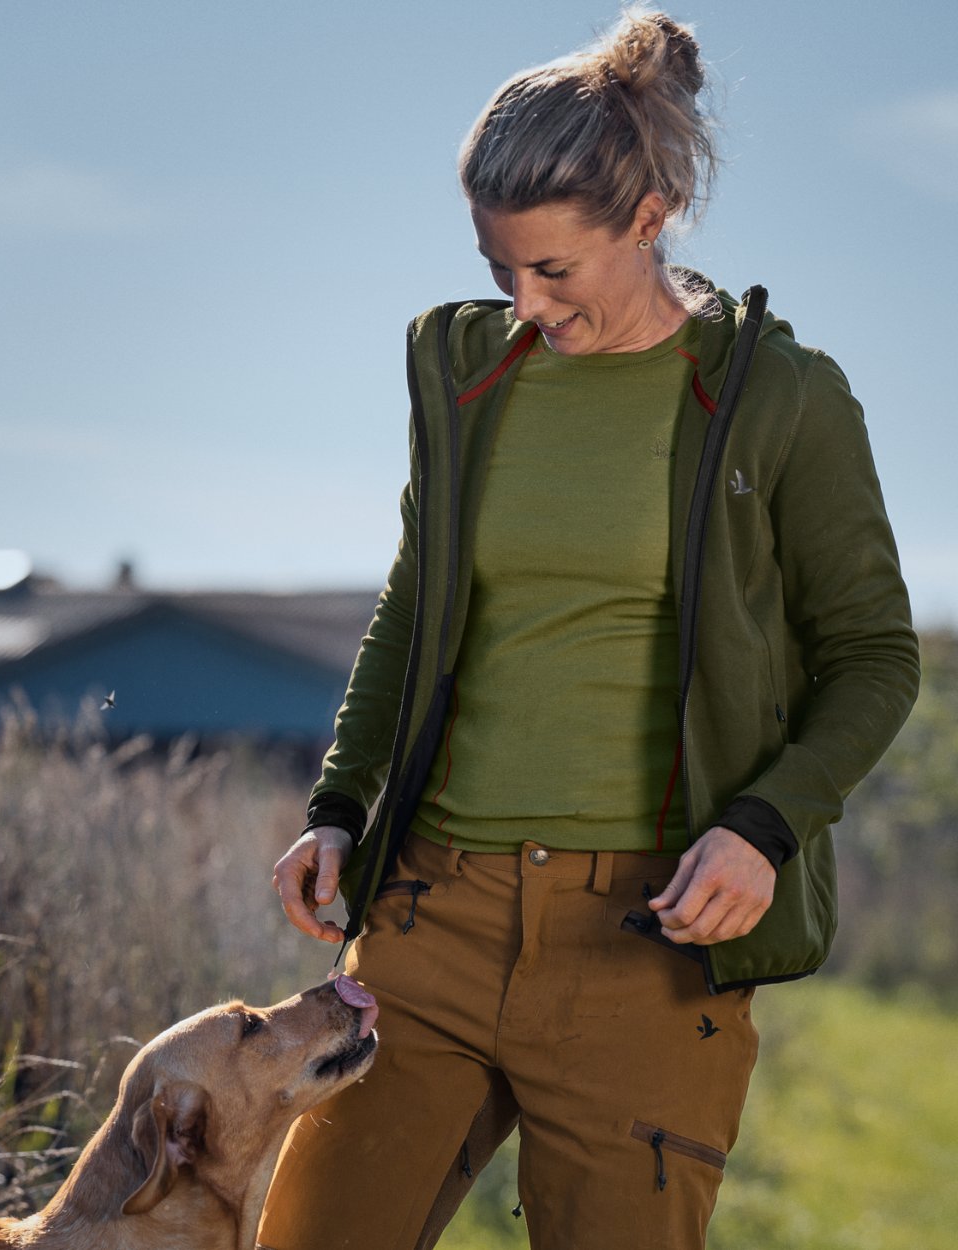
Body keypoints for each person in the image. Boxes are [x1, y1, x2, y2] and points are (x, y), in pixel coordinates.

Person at [257, 9, 919, 1249]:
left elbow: (874, 656)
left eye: (555, 270)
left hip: (647, 948)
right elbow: (417, 599)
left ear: (651, 215)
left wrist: (764, 828)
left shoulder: (778, 397)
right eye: (499, 265)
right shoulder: (464, 372)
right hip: (430, 920)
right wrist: (339, 804)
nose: (526, 301)